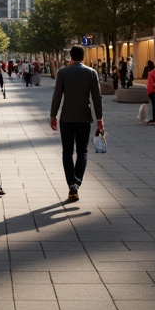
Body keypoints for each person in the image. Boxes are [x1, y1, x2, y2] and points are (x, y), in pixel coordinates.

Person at [49, 45, 104, 203]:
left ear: (70, 57)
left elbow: (57, 95)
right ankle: (77, 181)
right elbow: (96, 98)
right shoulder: (91, 73)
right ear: (83, 56)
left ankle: (71, 183)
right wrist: (99, 119)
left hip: (66, 118)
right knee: (82, 152)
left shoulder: (63, 72)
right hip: (84, 119)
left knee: (67, 152)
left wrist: (53, 115)